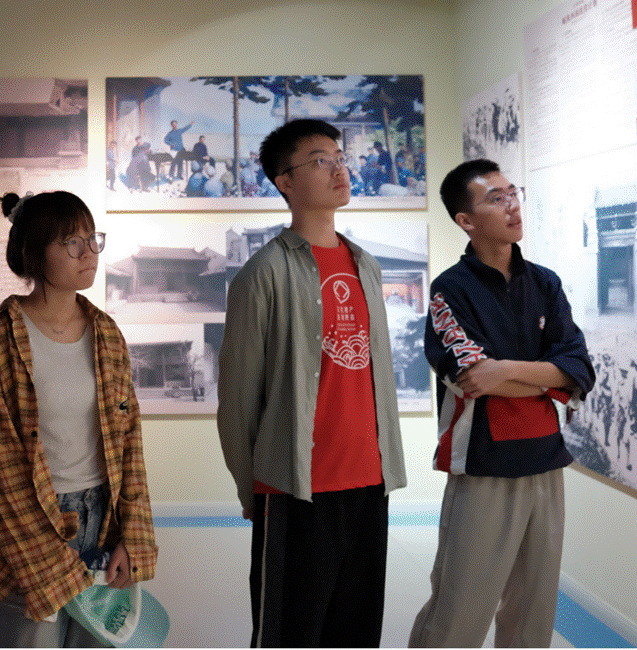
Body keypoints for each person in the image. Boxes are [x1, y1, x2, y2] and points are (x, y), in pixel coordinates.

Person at [217, 118, 407, 648]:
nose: (339, 168)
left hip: (368, 482)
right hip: (296, 486)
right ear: (286, 181)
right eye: (321, 160)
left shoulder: (365, 265)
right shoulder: (263, 273)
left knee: (357, 634)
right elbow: (237, 400)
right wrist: (251, 484)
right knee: (290, 635)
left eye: (340, 157)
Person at [408, 159, 595, 648]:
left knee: (533, 614)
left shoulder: (545, 283)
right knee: (459, 613)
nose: (512, 205)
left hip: (545, 461)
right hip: (484, 465)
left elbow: (579, 369)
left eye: (513, 193)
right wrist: (547, 378)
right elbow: (474, 378)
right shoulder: (450, 290)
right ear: (465, 220)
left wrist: (507, 370)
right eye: (496, 198)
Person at [0, 190, 157, 647]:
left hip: (103, 523)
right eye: (72, 242)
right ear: (34, 251)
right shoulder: (0, 338)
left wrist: (133, 536)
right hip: (30, 528)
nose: (88, 252)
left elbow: (129, 443)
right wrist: (51, 562)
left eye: (93, 239)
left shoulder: (105, 332)